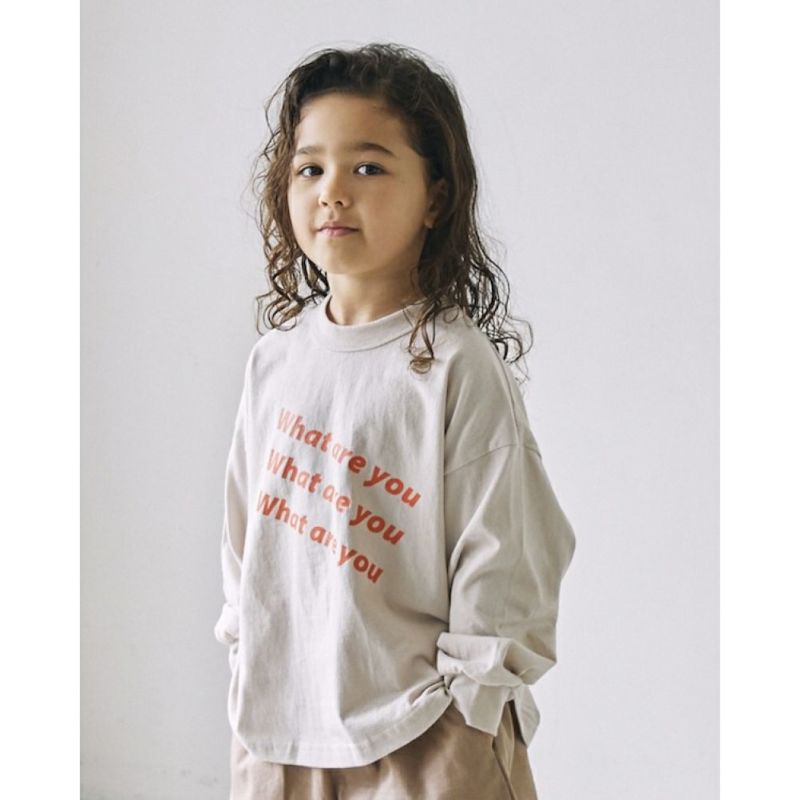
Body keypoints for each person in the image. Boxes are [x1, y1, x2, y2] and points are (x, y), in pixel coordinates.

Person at [214, 42, 577, 800]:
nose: (333, 192)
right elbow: (245, 544)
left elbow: (506, 554)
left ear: (435, 198)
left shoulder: (453, 364)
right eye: (310, 168)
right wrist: (250, 667)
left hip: (424, 738)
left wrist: (468, 719)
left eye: (368, 168)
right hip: (281, 736)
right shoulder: (275, 362)